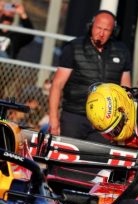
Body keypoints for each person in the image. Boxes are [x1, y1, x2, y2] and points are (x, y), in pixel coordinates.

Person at [49, 10, 132, 141]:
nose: (101, 33)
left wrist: (126, 122)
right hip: (74, 116)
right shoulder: (73, 48)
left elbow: (126, 89)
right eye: (98, 28)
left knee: (98, 160)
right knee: (64, 158)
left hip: (107, 121)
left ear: (113, 31)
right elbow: (57, 85)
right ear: (91, 26)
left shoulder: (122, 51)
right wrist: (53, 120)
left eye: (106, 30)